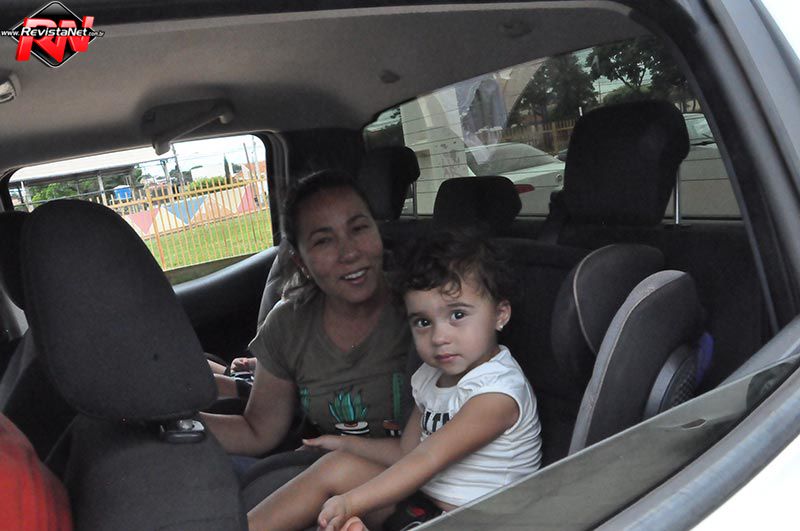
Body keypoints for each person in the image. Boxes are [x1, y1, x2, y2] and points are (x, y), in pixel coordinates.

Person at [247, 230, 542, 531]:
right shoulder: (430, 376)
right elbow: (406, 452)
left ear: (500, 314)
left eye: (457, 315)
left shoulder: (499, 393)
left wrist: (351, 502)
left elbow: (427, 458)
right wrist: (343, 444)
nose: (439, 337)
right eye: (423, 322)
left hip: (488, 523)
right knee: (335, 465)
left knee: (352, 509)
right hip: (430, 508)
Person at [201, 170, 413, 476]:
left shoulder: (424, 306)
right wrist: (171, 422)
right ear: (302, 263)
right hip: (334, 480)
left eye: (358, 228)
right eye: (324, 241)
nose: (350, 252)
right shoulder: (289, 325)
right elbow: (257, 431)